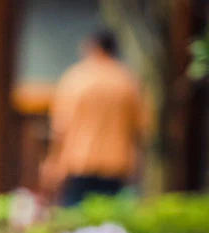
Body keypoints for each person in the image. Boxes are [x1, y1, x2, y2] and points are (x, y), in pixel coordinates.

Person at [41, 29, 146, 206]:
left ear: (93, 47)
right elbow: (140, 128)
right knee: (110, 222)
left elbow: (60, 126)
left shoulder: (76, 78)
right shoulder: (128, 81)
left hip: (79, 160)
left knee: (74, 220)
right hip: (117, 163)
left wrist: (53, 162)